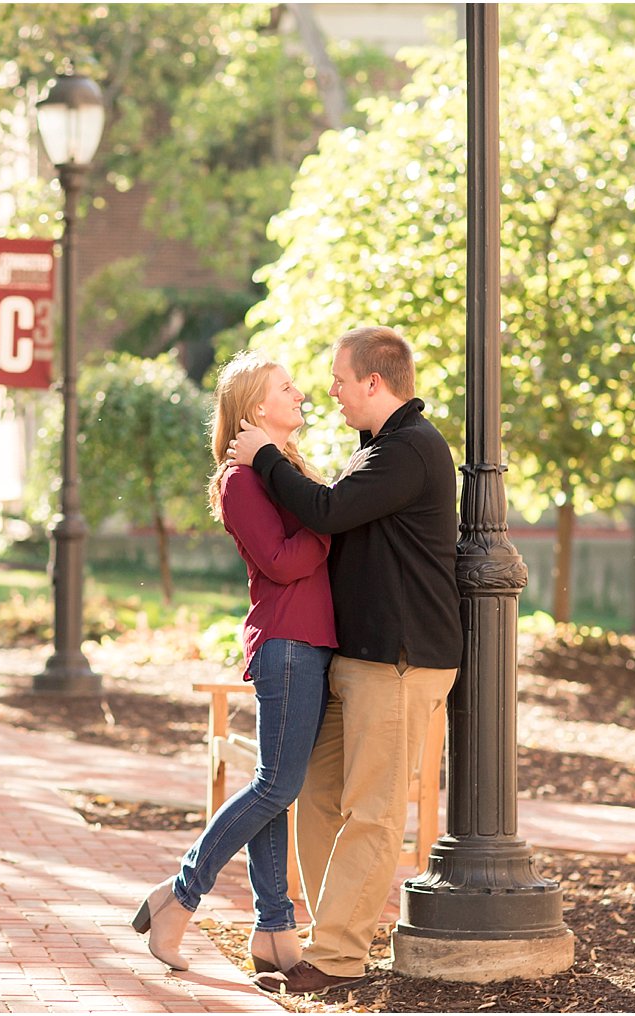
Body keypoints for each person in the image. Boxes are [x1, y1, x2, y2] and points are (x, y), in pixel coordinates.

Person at [228, 325, 462, 995]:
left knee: (372, 811)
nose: (328, 389)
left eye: (337, 378)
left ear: (373, 382)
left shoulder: (410, 451)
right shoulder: (377, 451)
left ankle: (335, 958)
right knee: (317, 798)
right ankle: (320, 937)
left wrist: (267, 456)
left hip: (399, 659)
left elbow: (325, 512)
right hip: (353, 660)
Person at [132, 351, 337, 975]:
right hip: (288, 644)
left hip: (308, 643)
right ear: (255, 407)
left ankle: (274, 931)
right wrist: (333, 527)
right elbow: (280, 561)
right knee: (277, 785)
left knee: (276, 790)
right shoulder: (240, 480)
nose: (300, 392)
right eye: (285, 386)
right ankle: (180, 895)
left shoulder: (276, 472)